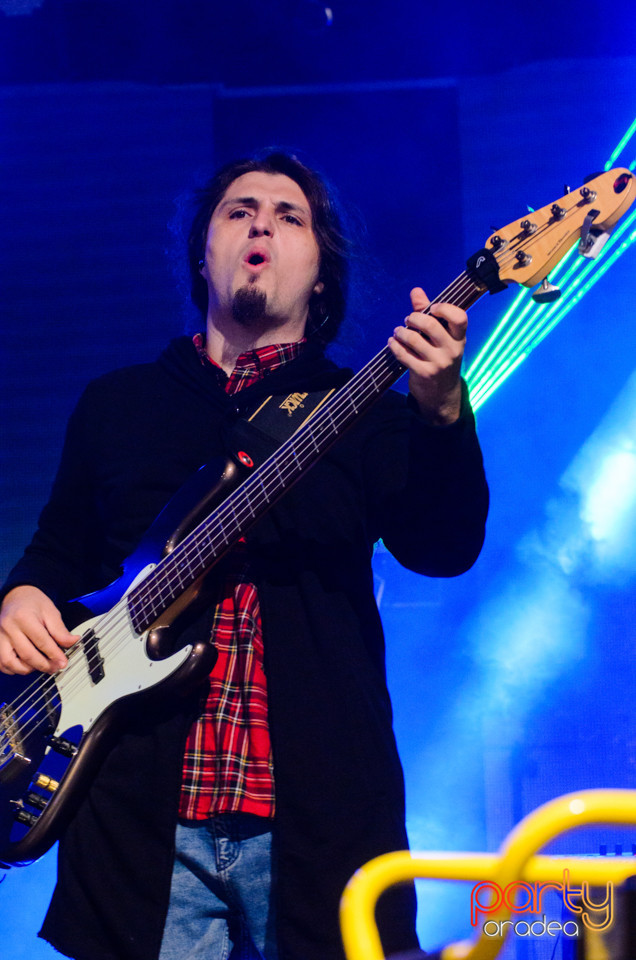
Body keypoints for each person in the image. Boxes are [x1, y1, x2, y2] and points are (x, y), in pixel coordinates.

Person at [0, 152, 489, 960]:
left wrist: (441, 411)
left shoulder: (363, 411)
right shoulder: (119, 404)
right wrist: (19, 598)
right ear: (204, 253)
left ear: (322, 275)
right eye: (239, 210)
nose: (262, 222)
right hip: (139, 822)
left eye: (290, 216)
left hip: (317, 815)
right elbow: (57, 552)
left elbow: (445, 548)